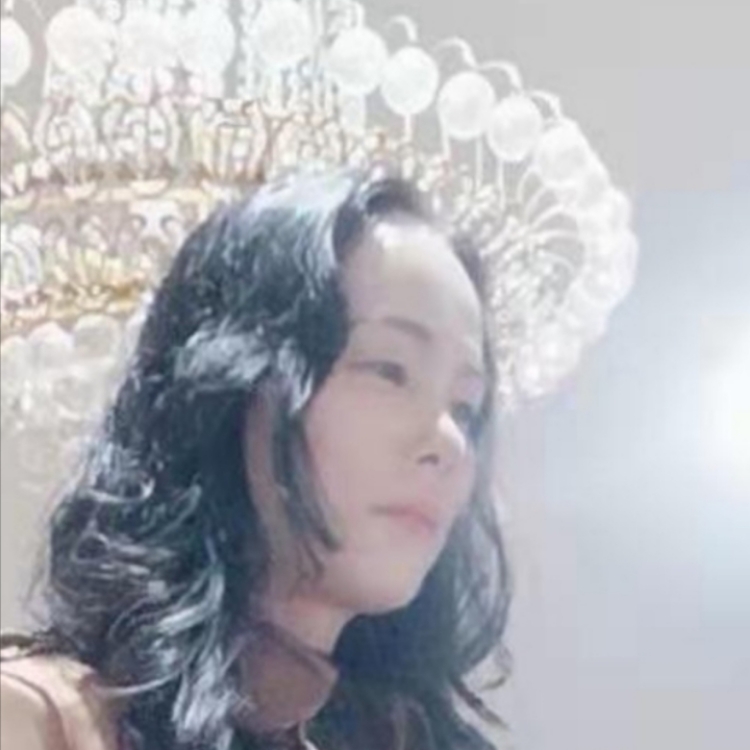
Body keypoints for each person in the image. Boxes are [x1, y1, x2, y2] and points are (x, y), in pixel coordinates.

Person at [0, 170, 510, 750]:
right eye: (389, 370)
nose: (449, 441)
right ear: (233, 385)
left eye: (466, 408)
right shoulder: (37, 721)